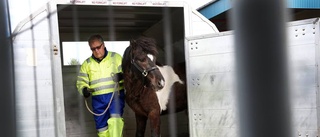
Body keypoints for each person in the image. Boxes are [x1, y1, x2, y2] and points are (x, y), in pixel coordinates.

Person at [76, 34, 125, 137]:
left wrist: (121, 76)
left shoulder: (116, 58)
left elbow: (128, 74)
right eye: (93, 49)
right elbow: (81, 81)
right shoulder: (87, 64)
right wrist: (84, 89)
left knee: (115, 121)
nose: (96, 51)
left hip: (115, 96)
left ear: (103, 45)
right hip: (97, 99)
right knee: (101, 128)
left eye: (98, 47)